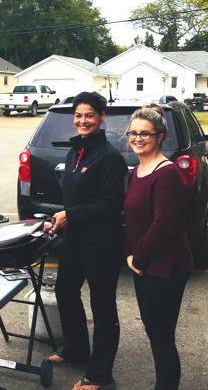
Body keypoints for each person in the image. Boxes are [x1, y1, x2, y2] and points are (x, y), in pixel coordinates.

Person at [45, 92, 127, 390]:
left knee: (102, 306)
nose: (83, 120)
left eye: (90, 115)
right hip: (76, 238)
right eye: (79, 115)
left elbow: (110, 205)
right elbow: (73, 195)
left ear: (101, 117)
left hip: (102, 242)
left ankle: (100, 374)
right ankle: (77, 349)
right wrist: (58, 217)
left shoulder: (109, 158)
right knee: (66, 291)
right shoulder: (75, 151)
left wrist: (71, 214)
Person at [123, 105, 193, 390]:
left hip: (166, 267)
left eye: (146, 134)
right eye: (134, 133)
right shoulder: (138, 170)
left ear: (160, 136)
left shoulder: (167, 174)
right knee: (155, 332)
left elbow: (165, 224)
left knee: (162, 335)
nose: (138, 138)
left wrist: (138, 258)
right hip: (147, 266)